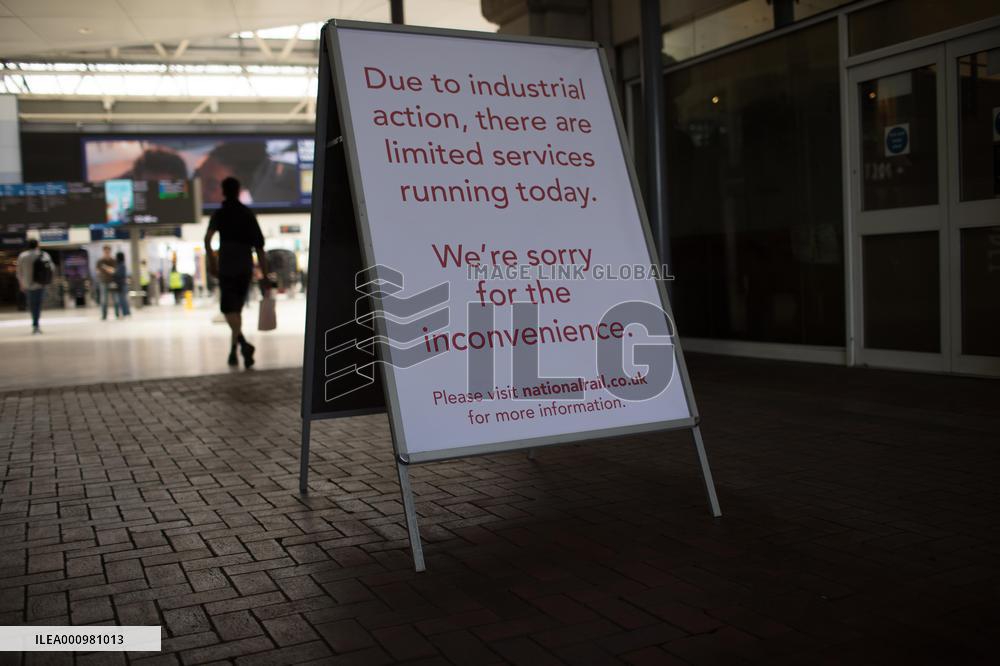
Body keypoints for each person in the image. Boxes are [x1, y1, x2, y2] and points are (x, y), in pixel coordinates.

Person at [205, 176, 270, 368]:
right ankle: (234, 351)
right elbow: (259, 247)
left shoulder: (220, 213)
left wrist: (212, 263)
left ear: (223, 191)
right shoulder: (247, 213)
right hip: (244, 265)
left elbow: (207, 239)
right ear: (238, 190)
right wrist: (265, 275)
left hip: (227, 265)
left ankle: (243, 344)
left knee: (227, 309)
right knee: (237, 310)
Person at [16, 239, 54, 334]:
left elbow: (19, 272)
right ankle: (36, 324)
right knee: (38, 304)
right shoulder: (43, 254)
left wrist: (21, 284)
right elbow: (51, 268)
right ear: (37, 245)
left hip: (28, 284)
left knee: (32, 304)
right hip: (41, 283)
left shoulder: (23, 256)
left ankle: (35, 323)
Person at [96, 245, 117, 320]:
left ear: (110, 251)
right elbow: (97, 271)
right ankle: (104, 316)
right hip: (103, 282)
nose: (107, 253)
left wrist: (105, 267)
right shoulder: (100, 261)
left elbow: (113, 271)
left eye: (108, 251)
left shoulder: (113, 260)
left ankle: (117, 314)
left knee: (115, 299)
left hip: (112, 282)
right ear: (103, 251)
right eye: (105, 251)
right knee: (104, 300)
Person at [113, 251, 131, 318]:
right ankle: (126, 312)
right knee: (123, 299)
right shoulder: (121, 265)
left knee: (122, 300)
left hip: (121, 285)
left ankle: (125, 313)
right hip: (122, 284)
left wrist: (114, 272)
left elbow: (119, 274)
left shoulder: (121, 265)